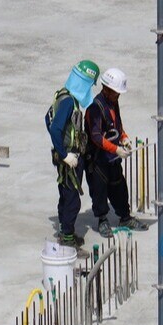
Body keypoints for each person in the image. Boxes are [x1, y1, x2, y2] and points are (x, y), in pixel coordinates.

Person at [85, 68, 149, 237]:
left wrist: (124, 138)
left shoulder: (113, 103)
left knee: (119, 187)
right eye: (116, 93)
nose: (118, 96)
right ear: (106, 89)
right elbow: (96, 137)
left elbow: (117, 126)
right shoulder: (95, 108)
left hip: (113, 158)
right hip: (99, 159)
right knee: (99, 191)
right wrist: (116, 149)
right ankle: (102, 220)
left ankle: (125, 217)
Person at [46, 60, 100, 247]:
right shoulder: (69, 102)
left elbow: (48, 118)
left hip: (65, 156)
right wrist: (64, 154)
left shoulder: (62, 95)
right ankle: (67, 239)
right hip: (69, 158)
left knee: (65, 194)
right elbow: (55, 128)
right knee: (72, 199)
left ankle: (65, 231)